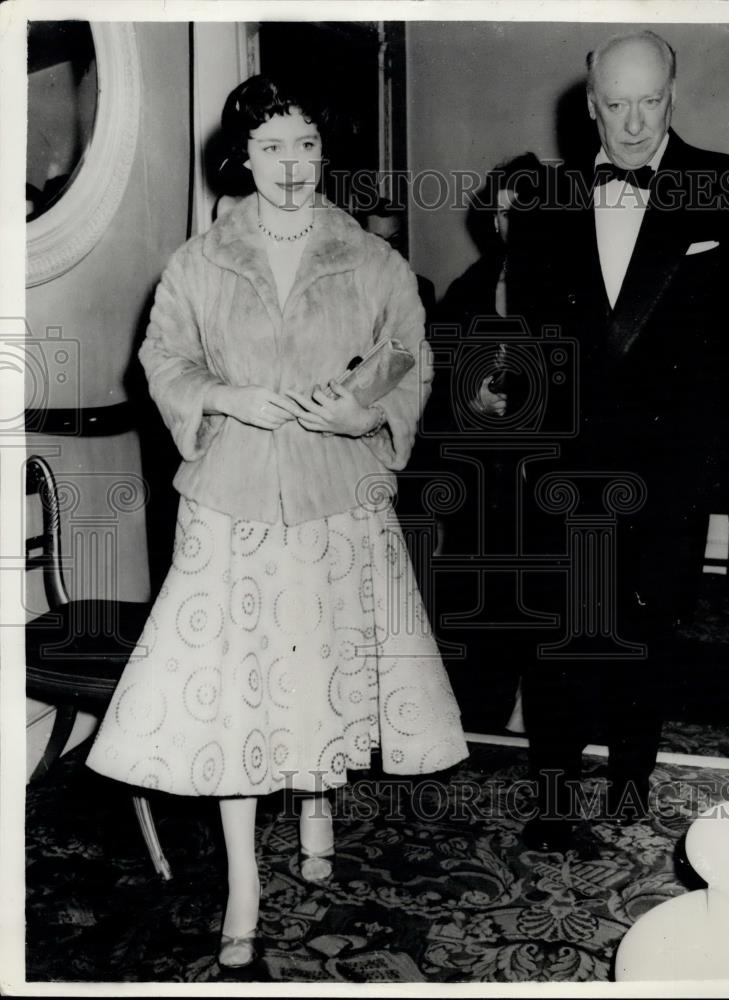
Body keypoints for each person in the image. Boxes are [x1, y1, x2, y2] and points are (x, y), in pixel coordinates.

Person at [86, 72, 468, 967]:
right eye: (268, 147)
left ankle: (316, 801)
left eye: (303, 145)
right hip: (234, 502)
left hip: (337, 496)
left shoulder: (372, 262)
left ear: (324, 151)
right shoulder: (197, 261)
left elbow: (408, 361)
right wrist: (228, 396)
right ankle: (244, 886)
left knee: (321, 669)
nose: (289, 166)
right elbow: (164, 360)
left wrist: (365, 414)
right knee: (237, 697)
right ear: (241, 156)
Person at [509, 30, 729, 850]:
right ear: (588, 104)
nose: (629, 124)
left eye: (647, 101)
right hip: (565, 456)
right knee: (557, 633)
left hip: (668, 456)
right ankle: (551, 802)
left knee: (645, 631)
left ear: (673, 95)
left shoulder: (727, 186)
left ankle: (627, 782)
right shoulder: (544, 202)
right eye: (612, 104)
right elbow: (537, 334)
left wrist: (669, 440)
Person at [432, 154, 543, 733]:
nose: (506, 222)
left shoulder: (572, 284)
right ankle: (484, 709)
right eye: (498, 211)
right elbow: (439, 370)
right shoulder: (471, 285)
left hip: (550, 473)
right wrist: (471, 396)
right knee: (481, 584)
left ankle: (540, 707)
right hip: (485, 475)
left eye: (518, 210)